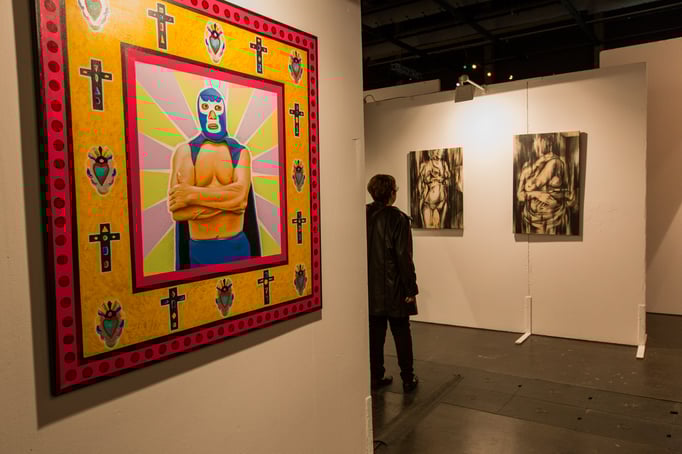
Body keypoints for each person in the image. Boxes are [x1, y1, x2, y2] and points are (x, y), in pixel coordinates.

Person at [168, 87, 260, 269]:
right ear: (199, 111)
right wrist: (228, 203)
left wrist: (191, 195)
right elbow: (179, 212)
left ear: (223, 112)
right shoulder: (186, 152)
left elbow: (240, 200)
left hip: (237, 247)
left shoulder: (239, 152)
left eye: (216, 109)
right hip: (199, 251)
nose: (211, 115)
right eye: (206, 108)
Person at [366, 174, 419, 393]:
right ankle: (408, 378)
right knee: (401, 332)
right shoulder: (398, 219)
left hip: (370, 289)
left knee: (375, 336)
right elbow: (403, 257)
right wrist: (410, 288)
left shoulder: (363, 215)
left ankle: (375, 376)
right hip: (394, 287)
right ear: (391, 193)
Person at [516, 134, 575, 234]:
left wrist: (559, 195)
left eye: (547, 141)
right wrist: (537, 194)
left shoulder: (556, 163)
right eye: (537, 140)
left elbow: (571, 197)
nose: (539, 144)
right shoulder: (527, 165)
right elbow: (520, 196)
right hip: (530, 219)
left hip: (554, 219)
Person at [418, 149, 451, 229]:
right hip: (428, 201)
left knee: (440, 227)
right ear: (432, 152)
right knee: (427, 227)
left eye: (439, 151)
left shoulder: (444, 164)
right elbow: (422, 181)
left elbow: (448, 181)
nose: (438, 152)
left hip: (441, 201)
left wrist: (442, 180)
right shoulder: (427, 164)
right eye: (436, 151)